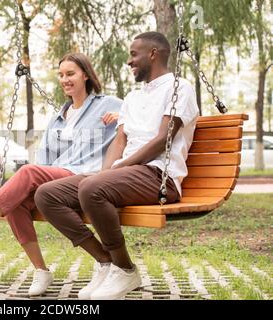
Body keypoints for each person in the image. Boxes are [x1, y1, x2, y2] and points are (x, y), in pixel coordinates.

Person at [0, 52, 122, 296]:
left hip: (88, 177)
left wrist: (124, 117)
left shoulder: (108, 104)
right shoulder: (58, 118)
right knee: (16, 202)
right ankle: (41, 270)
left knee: (28, 172)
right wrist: (36, 180)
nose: (65, 79)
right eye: (61, 75)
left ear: (85, 74)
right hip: (60, 180)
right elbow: (45, 157)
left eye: (70, 74)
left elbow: (144, 121)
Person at [34, 32, 199, 300]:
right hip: (127, 174)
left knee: (92, 187)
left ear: (154, 54)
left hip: (159, 176)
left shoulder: (179, 88)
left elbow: (162, 140)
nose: (129, 61)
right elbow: (119, 142)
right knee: (47, 194)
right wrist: (106, 172)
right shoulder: (133, 97)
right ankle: (106, 261)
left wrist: (111, 174)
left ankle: (124, 268)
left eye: (134, 54)